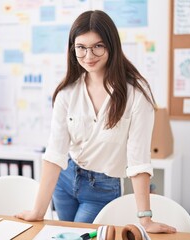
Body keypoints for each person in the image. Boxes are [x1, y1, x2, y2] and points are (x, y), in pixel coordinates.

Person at [15, 10, 176, 234]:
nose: (89, 55)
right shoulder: (67, 92)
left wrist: (145, 219)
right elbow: (55, 154)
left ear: (111, 45)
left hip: (102, 187)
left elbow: (139, 161)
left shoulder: (136, 93)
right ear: (73, 48)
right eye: (81, 47)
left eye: (97, 46)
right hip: (65, 179)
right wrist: (38, 211)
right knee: (63, 236)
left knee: (82, 237)